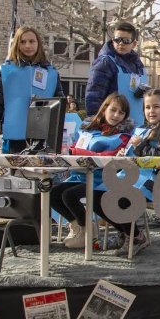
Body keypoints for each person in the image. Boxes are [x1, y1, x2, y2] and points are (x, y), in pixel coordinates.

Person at [96, 89, 160, 255]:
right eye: (147, 107)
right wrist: (124, 154)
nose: (151, 111)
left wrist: (140, 146)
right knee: (96, 196)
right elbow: (135, 156)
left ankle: (134, 236)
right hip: (131, 177)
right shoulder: (144, 129)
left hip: (158, 182)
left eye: (156, 106)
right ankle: (128, 234)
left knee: (119, 199)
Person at [50, 93, 134, 248]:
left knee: (69, 195)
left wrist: (75, 153)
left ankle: (88, 230)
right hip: (79, 176)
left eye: (121, 112)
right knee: (53, 194)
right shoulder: (87, 129)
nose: (116, 115)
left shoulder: (123, 136)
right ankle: (80, 227)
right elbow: (75, 148)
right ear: (104, 110)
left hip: (102, 181)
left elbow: (110, 156)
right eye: (113, 110)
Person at [0, 26, 63, 153]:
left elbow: (60, 107)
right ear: (17, 44)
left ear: (38, 43)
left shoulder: (51, 73)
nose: (28, 46)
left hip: (44, 140)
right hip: (14, 138)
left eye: (32, 41)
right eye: (23, 42)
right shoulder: (6, 71)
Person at [85, 21, 147, 126]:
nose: (121, 43)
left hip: (136, 125)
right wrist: (97, 123)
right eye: (117, 40)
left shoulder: (138, 65)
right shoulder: (105, 62)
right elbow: (94, 95)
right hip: (112, 126)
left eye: (126, 40)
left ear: (134, 43)